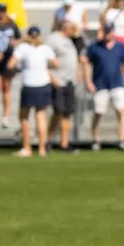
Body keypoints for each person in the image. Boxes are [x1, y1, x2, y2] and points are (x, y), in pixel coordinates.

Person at [84, 22, 124, 150]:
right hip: (100, 84)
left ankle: (122, 140)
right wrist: (88, 82)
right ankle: (95, 140)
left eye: (110, 31)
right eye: (106, 31)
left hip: (117, 83)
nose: (108, 33)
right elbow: (87, 64)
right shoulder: (94, 46)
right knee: (98, 112)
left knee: (121, 111)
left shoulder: (120, 46)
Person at [10, 26, 58, 157]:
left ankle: (27, 148)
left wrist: (21, 68)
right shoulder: (45, 49)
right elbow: (56, 63)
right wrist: (43, 67)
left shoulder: (23, 48)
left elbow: (11, 64)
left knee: (24, 117)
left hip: (29, 84)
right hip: (43, 84)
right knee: (41, 116)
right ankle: (42, 149)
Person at [44, 21, 81, 153]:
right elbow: (44, 59)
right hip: (58, 80)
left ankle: (64, 143)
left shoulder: (70, 41)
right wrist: (51, 77)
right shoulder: (53, 39)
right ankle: (48, 140)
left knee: (67, 112)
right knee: (58, 111)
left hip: (69, 81)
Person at [0, 2, 20, 128]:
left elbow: (19, 37)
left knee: (6, 87)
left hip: (8, 60)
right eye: (0, 10)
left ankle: (6, 117)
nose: (2, 13)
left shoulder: (11, 24)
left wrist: (14, 42)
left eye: (4, 11)